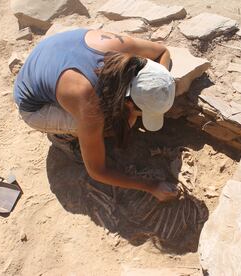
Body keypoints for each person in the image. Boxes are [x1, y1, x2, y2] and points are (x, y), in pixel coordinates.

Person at [13, 28, 178, 202]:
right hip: (33, 105)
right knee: (107, 125)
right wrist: (151, 187)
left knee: (118, 119)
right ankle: (62, 139)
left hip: (50, 54)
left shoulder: (124, 50)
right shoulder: (89, 104)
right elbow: (97, 171)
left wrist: (157, 84)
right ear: (128, 103)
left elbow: (162, 50)